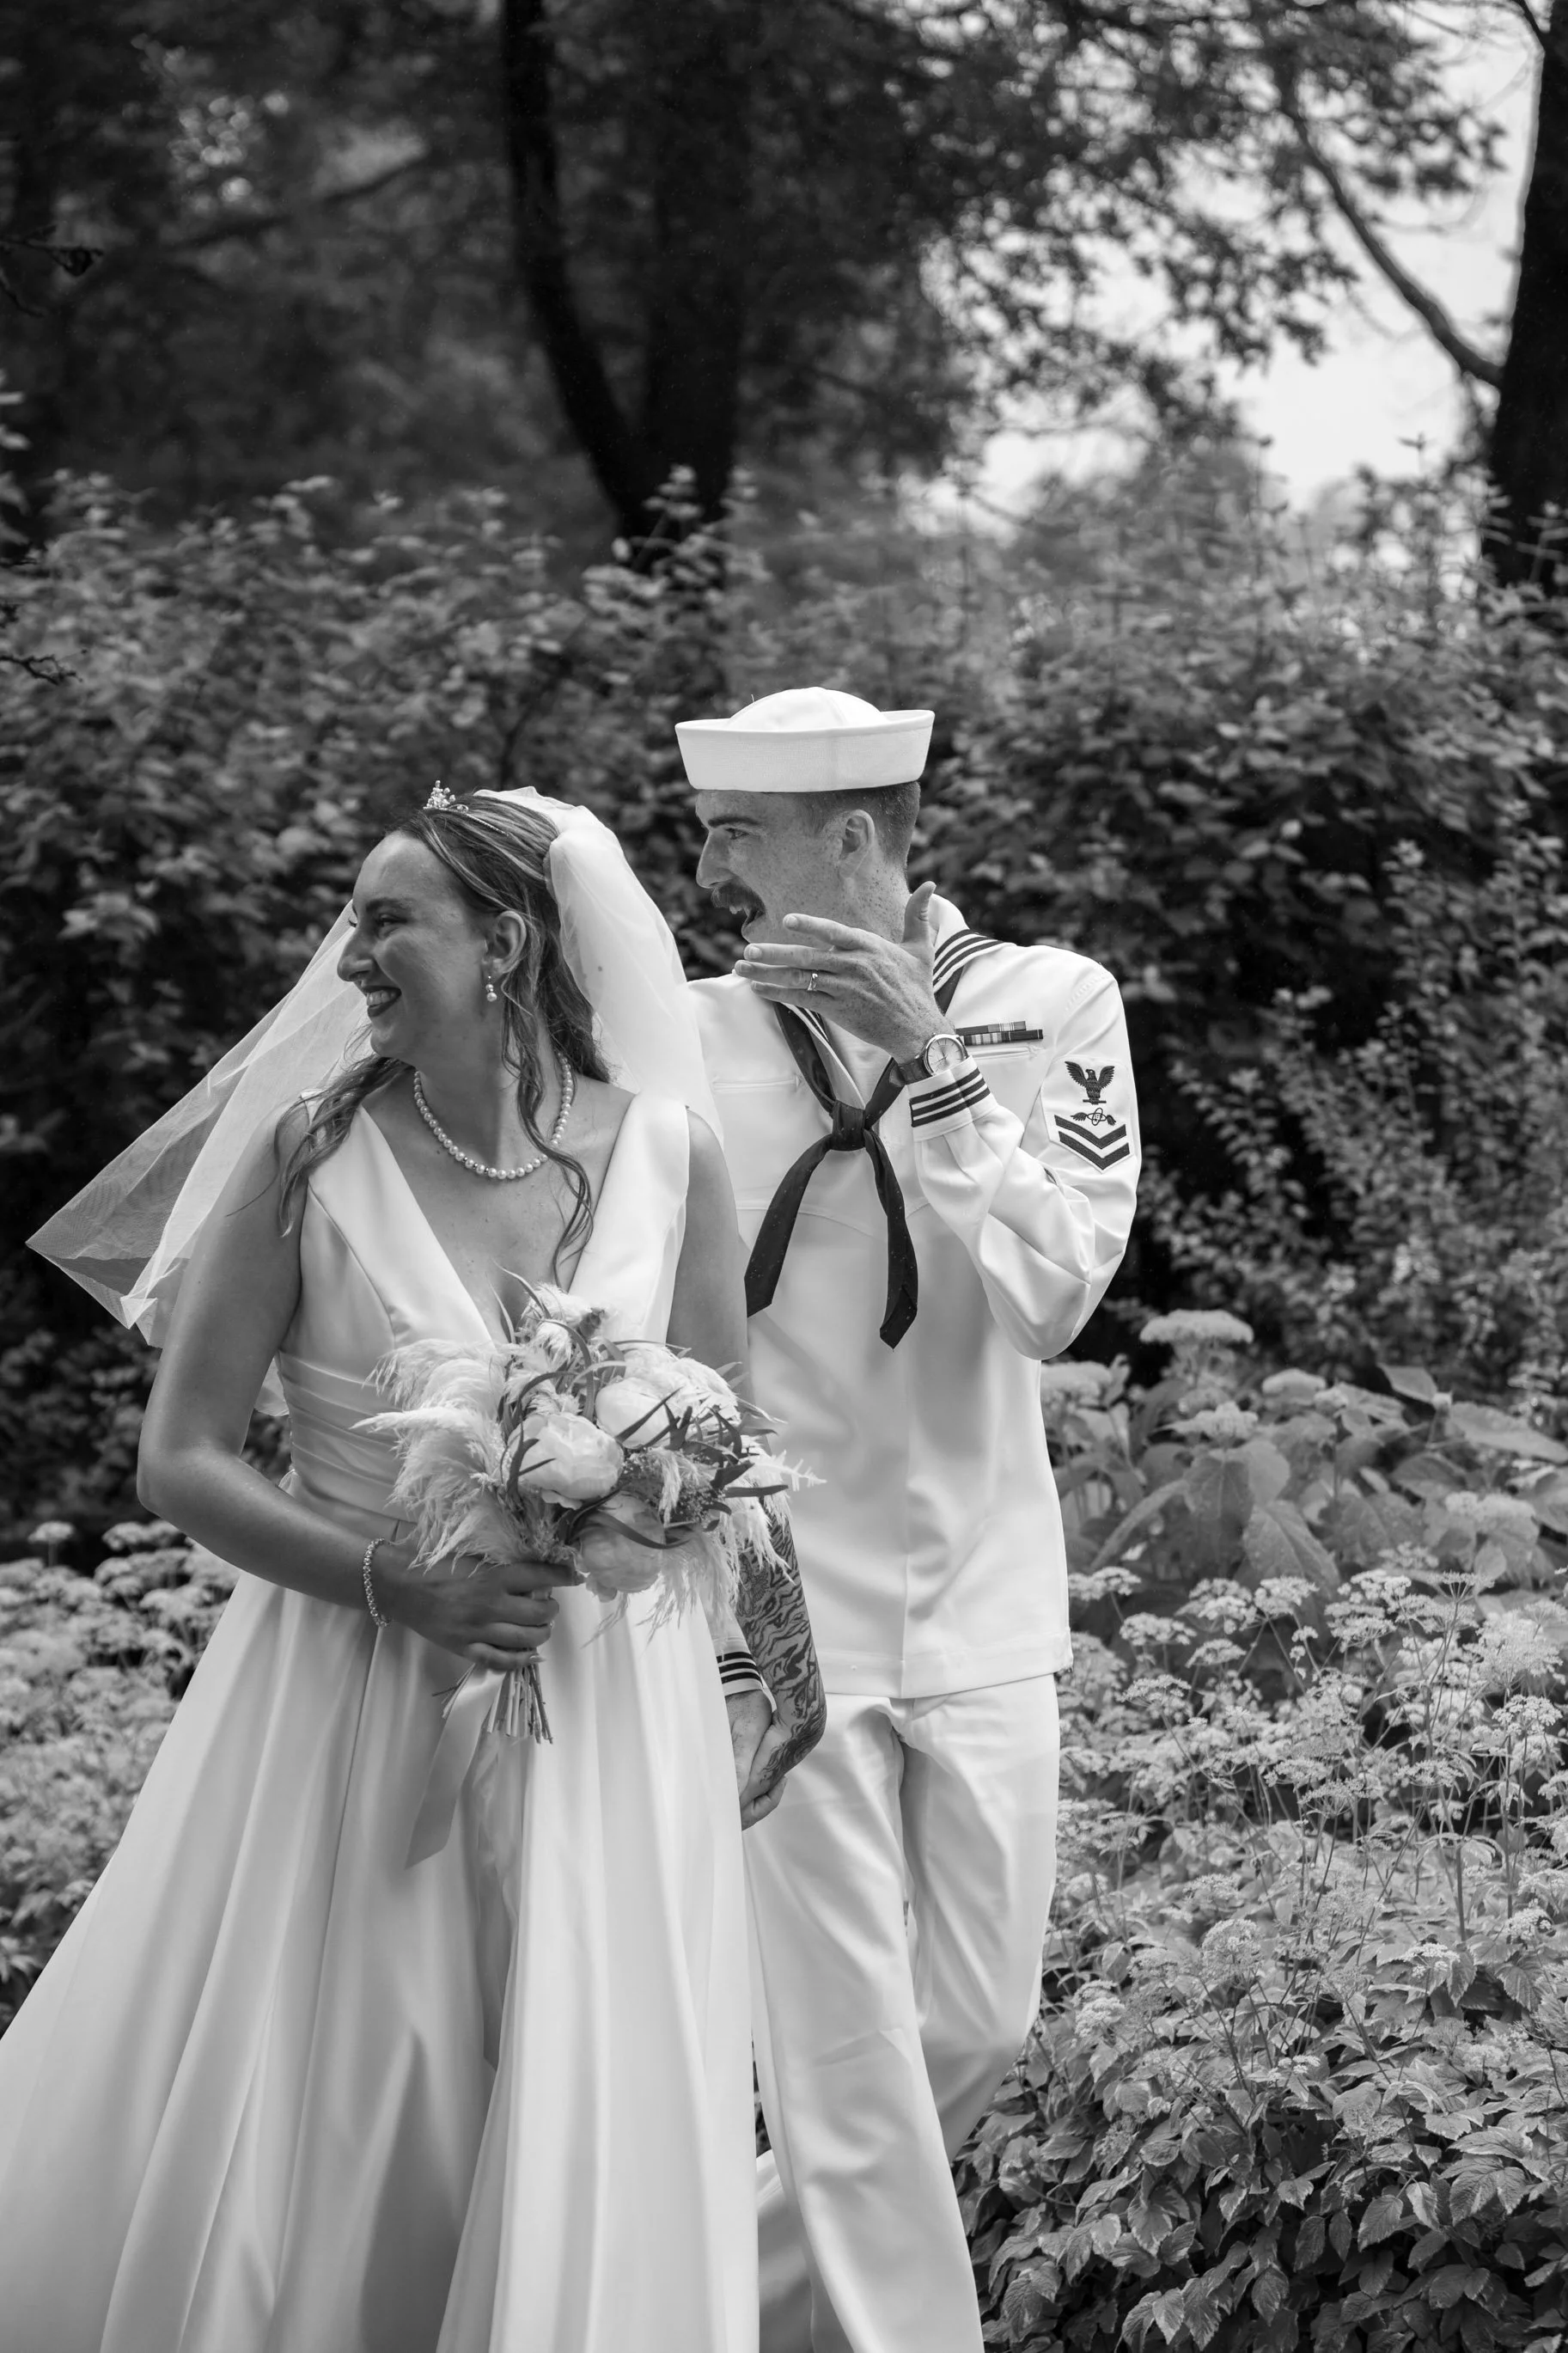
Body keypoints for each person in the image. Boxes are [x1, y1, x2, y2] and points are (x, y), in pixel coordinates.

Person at [1, 786, 823, 2353]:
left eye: (388, 921)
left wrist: (775, 1669)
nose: (348, 955)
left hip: (611, 1716)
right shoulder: (306, 1153)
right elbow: (178, 1462)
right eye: (355, 918)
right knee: (366, 2087)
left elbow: (734, 1455)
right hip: (348, 1688)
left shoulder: (672, 1155)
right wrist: (405, 1581)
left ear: (505, 942)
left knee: (587, 2079)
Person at [679, 688, 1141, 2353]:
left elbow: (1052, 1296)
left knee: (977, 2024)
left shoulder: (1051, 1001)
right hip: (777, 1610)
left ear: (851, 837)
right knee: (848, 2067)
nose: (712, 865)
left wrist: (934, 1068)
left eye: (739, 832)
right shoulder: (689, 1028)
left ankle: (652, 2295)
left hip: (988, 1598)